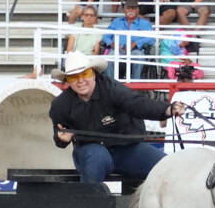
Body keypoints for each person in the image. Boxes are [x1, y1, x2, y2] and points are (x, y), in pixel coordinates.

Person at [49, 52, 183, 184]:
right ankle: (89, 203)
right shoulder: (60, 105)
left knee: (169, 167)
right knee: (96, 157)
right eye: (73, 77)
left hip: (126, 149)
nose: (80, 81)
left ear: (94, 73)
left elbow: (137, 104)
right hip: (90, 151)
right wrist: (61, 139)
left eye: (85, 74)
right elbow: (59, 134)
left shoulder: (112, 89)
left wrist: (166, 109)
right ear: (68, 81)